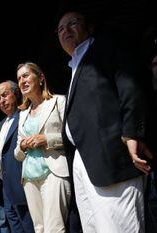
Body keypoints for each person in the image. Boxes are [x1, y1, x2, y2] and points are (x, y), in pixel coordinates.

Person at [57, 11, 154, 232]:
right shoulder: (74, 67)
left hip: (110, 156)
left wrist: (132, 133)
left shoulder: (105, 48)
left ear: (89, 27)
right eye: (61, 28)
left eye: (72, 23)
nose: (66, 30)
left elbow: (130, 85)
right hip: (83, 160)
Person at [13, 62, 71, 233]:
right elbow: (17, 153)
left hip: (54, 173)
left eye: (25, 76)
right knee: (39, 229)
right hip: (30, 178)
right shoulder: (22, 114)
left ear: (40, 78)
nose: (21, 81)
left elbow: (72, 136)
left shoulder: (59, 101)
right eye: (19, 78)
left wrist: (46, 139)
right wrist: (22, 146)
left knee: (54, 228)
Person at [0, 80, 34, 233]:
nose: (1, 101)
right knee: (15, 227)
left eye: (4, 95)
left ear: (15, 94)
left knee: (28, 226)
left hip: (21, 183)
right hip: (6, 187)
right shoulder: (2, 123)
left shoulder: (25, 115)